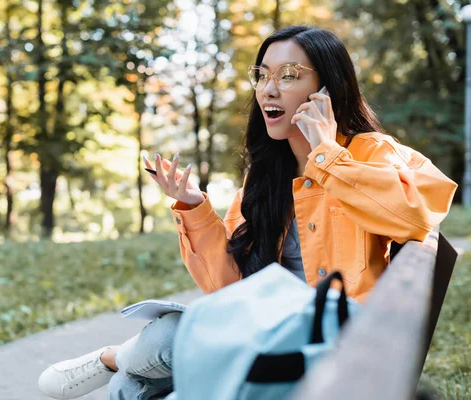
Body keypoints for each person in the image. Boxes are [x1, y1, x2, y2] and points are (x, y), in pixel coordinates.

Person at [37, 24, 458, 400]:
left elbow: (416, 215)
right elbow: (230, 289)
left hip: (329, 347)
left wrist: (327, 156)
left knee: (151, 367)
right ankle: (123, 366)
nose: (268, 90)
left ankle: (113, 357)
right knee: (164, 338)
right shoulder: (266, 175)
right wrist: (193, 208)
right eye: (262, 75)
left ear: (328, 89)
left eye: (289, 75)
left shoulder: (374, 154)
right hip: (268, 331)